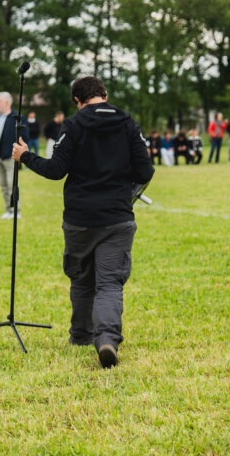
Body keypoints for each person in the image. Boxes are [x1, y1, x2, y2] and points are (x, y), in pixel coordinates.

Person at [12, 75, 155, 369]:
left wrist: (25, 156)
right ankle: (106, 339)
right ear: (104, 93)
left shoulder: (74, 125)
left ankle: (80, 335)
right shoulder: (128, 122)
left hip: (79, 218)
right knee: (110, 283)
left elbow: (56, 170)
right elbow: (145, 170)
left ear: (78, 101)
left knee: (81, 277)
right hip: (117, 216)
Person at [0, 91, 28, 219]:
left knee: (11, 184)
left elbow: (24, 136)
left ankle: (16, 211)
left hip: (10, 157)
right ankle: (8, 210)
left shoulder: (17, 117)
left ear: (7, 102)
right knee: (3, 185)